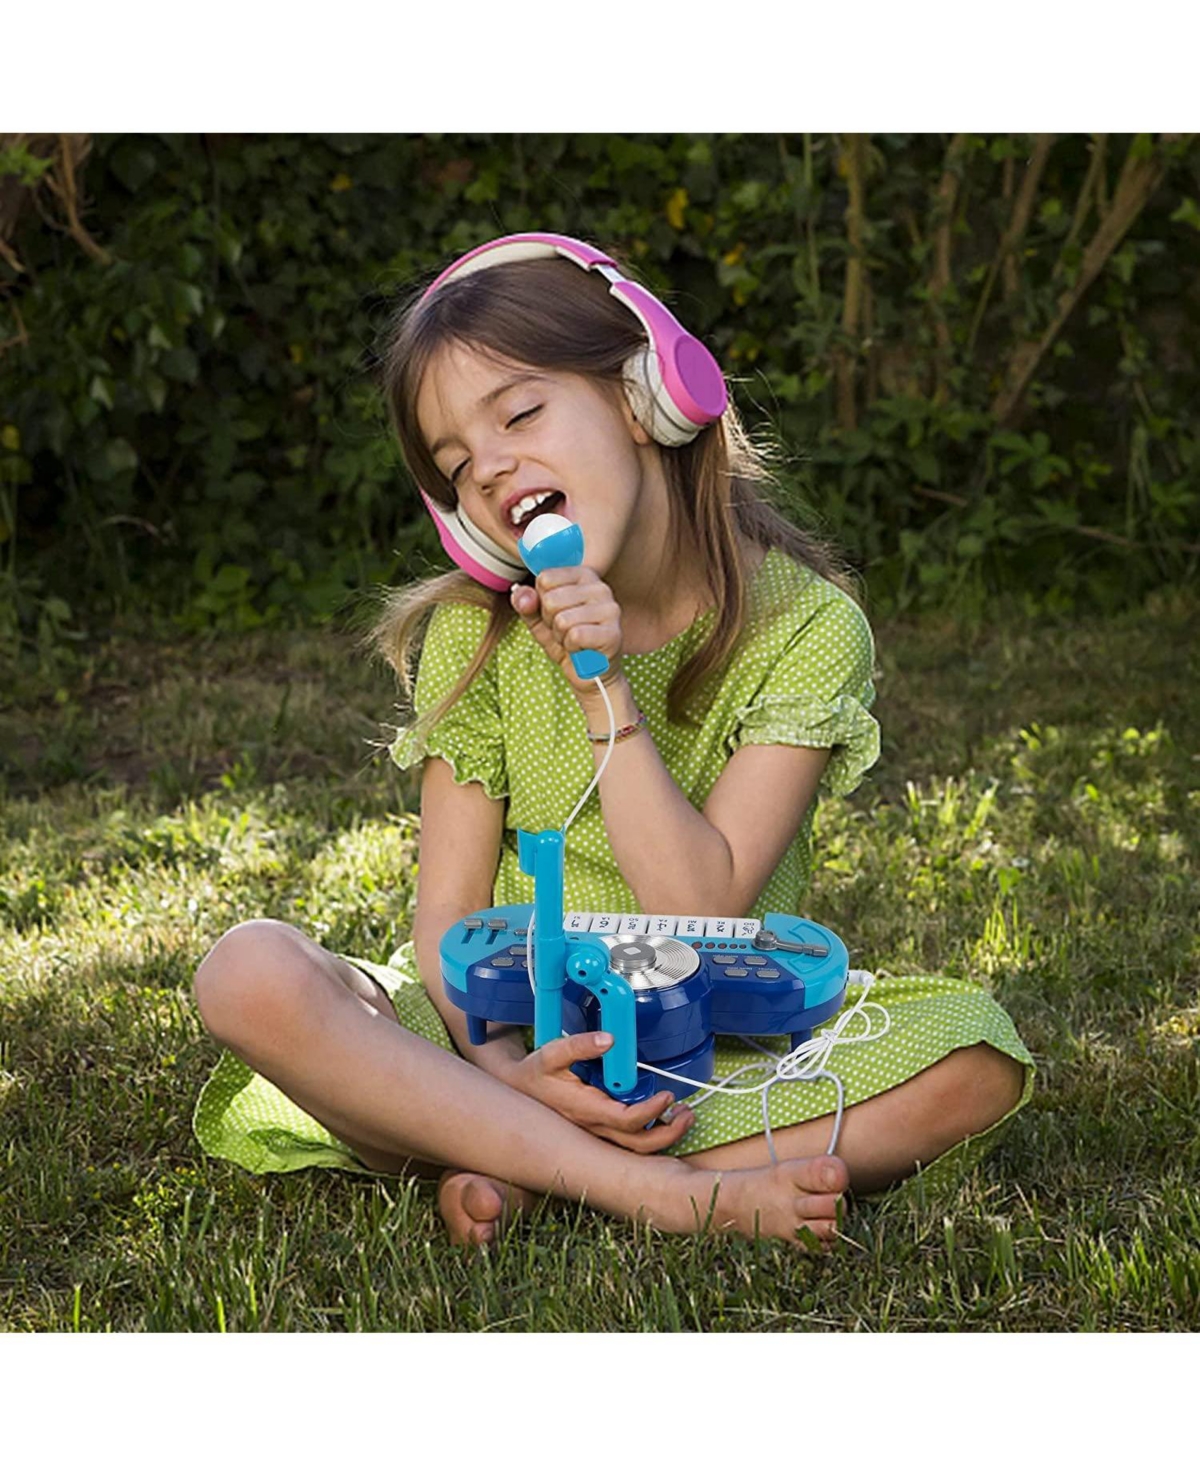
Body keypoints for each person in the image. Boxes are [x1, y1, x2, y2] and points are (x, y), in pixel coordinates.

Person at [193, 233, 1033, 1248]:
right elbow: (445, 925)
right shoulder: (479, 632)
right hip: (498, 1034)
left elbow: (700, 904)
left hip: (714, 1050)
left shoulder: (807, 629)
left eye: (520, 411)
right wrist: (506, 1069)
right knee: (248, 970)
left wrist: (605, 692)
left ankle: (522, 1165)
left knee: (977, 1057)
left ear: (646, 396)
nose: (493, 464)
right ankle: (659, 1192)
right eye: (459, 465)